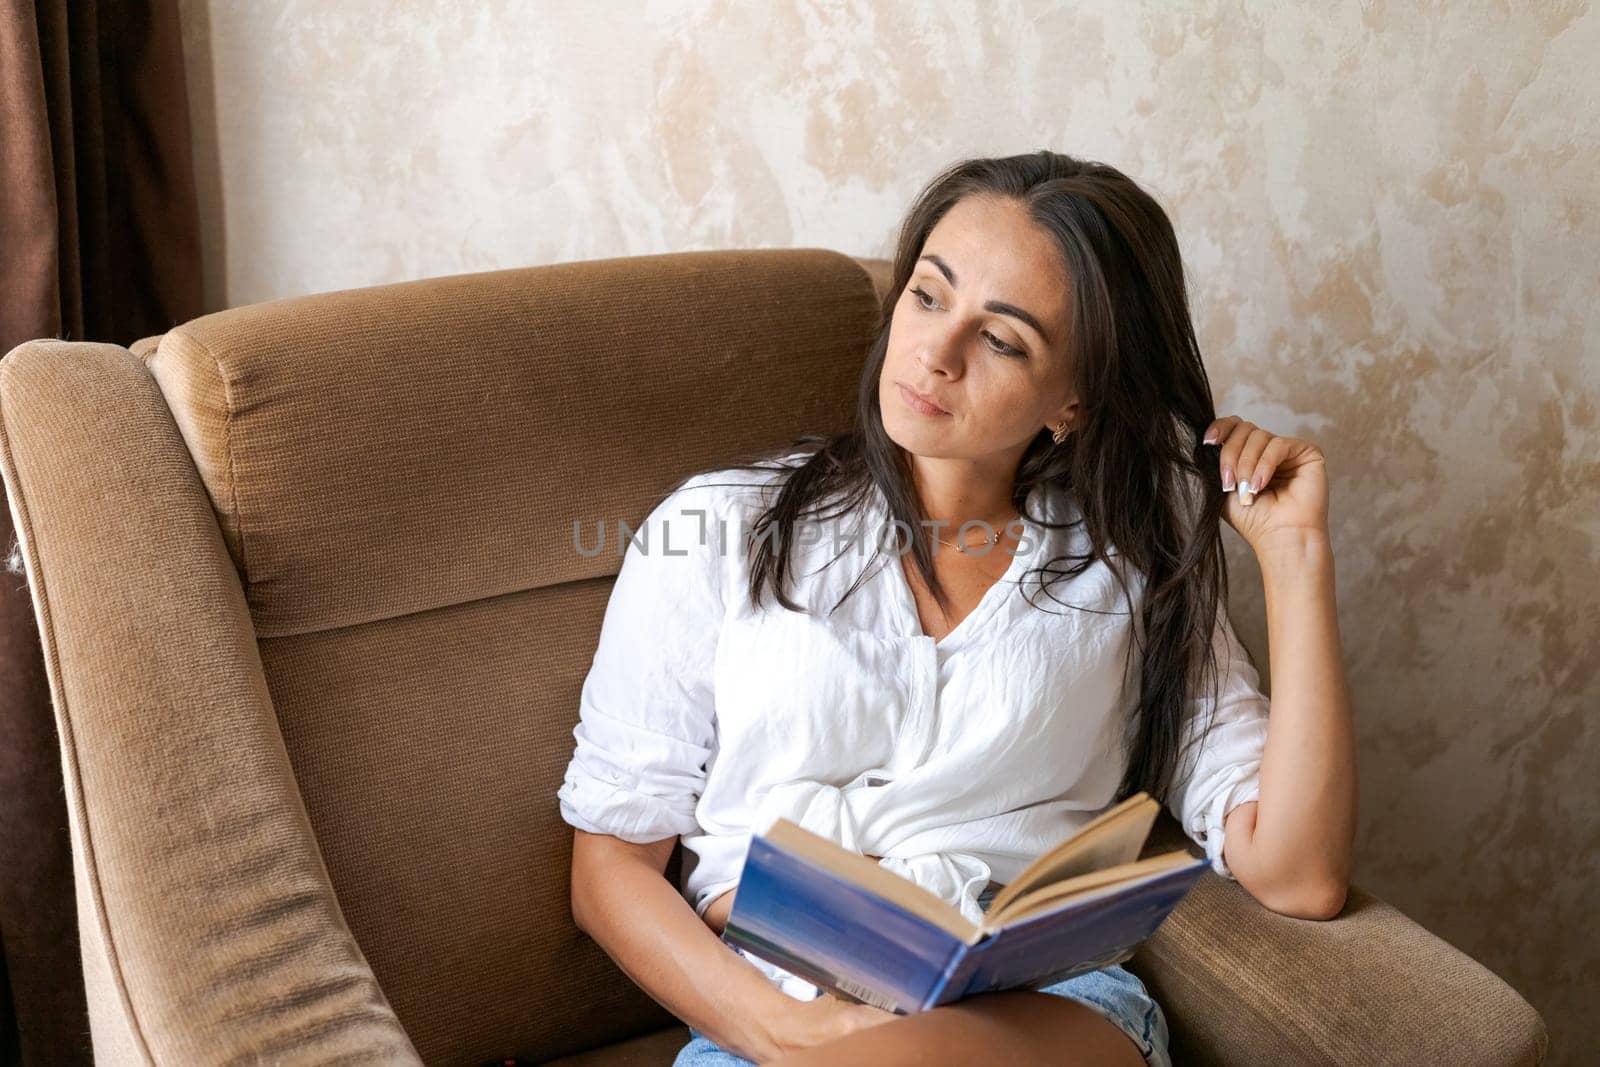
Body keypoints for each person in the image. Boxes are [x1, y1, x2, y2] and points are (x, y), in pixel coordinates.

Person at [558, 150, 1357, 1065]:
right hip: (774, 1020)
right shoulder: (717, 529)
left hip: (1034, 1012)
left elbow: (1299, 873)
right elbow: (610, 868)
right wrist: (785, 1032)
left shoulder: (1129, 568)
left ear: (1074, 401)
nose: (936, 354)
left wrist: (1295, 557)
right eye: (929, 297)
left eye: (1003, 339)